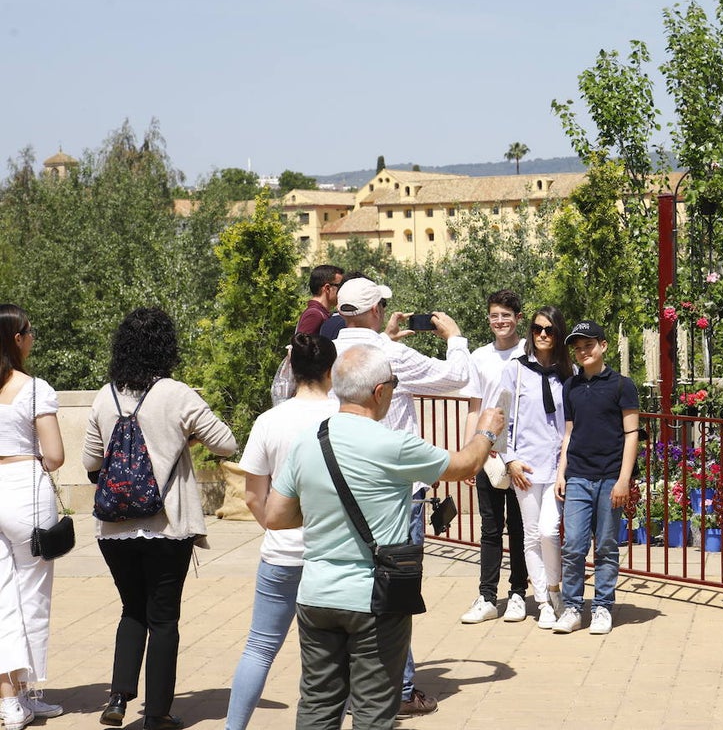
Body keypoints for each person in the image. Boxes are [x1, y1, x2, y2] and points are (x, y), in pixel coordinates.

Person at [265, 344, 506, 730]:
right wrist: (486, 432)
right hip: (374, 598)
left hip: (316, 595)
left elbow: (275, 516)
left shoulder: (309, 440)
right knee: (375, 710)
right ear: (380, 392)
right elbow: (465, 465)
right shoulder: (392, 443)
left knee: (317, 704)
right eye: (393, 384)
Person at [84, 308, 237, 730]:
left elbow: (90, 462)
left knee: (131, 609)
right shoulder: (177, 393)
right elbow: (226, 443)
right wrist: (182, 438)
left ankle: (117, 698)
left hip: (113, 528)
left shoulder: (105, 395)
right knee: (163, 617)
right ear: (165, 346)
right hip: (167, 525)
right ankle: (156, 714)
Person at [332, 276, 470, 716]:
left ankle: (355, 688)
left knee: (352, 588)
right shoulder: (389, 355)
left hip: (338, 486)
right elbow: (456, 377)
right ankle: (401, 690)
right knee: (395, 592)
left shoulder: (332, 351)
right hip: (394, 492)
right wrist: (455, 338)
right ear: (375, 311)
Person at [224, 333, 339, 730]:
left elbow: (254, 495)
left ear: (292, 369)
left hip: (282, 554)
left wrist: (277, 526)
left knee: (259, 647)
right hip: (335, 556)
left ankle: (233, 727)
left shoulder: (269, 421)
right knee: (332, 655)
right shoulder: (346, 417)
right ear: (331, 370)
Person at [0, 305, 65, 730]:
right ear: (18, 338)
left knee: (4, 595)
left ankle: (13, 698)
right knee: (31, 597)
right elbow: (55, 455)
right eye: (30, 330)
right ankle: (20, 696)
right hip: (26, 487)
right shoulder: (35, 388)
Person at [552, 321, 639, 636]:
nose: (583, 352)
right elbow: (569, 432)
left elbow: (632, 435)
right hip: (578, 476)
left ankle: (603, 606)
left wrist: (623, 480)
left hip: (609, 478)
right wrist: (561, 472)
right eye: (577, 348)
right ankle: (573, 607)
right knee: (573, 545)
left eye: (588, 345)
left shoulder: (622, 385)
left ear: (603, 345)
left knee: (605, 544)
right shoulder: (571, 386)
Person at [458, 290, 528, 625]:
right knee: (489, 528)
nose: (500, 322)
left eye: (506, 315)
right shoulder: (479, 356)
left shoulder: (529, 351)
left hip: (519, 451)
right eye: (494, 316)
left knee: (518, 525)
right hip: (487, 451)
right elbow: (474, 406)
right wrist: (470, 452)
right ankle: (487, 596)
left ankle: (518, 593)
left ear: (518, 317)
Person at [502, 306, 572, 628]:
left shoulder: (566, 375)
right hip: (525, 467)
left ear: (557, 335)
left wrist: (567, 464)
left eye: (549, 330)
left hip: (556, 465)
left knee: (549, 531)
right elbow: (502, 418)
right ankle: (543, 600)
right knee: (531, 535)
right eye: (537, 329)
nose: (542, 334)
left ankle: (556, 590)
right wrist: (509, 459)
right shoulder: (515, 371)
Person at [296, 265, 344, 335]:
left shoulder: (320, 313)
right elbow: (301, 344)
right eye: (340, 286)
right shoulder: (314, 314)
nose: (342, 290)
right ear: (327, 288)